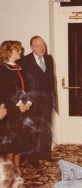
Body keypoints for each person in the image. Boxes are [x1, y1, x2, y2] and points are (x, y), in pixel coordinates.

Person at [18, 36, 56, 166]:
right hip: (32, 102)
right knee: (33, 130)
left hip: (47, 101)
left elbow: (51, 80)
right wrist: (24, 101)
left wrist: (53, 98)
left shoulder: (49, 59)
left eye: (43, 45)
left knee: (46, 128)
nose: (42, 48)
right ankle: (33, 158)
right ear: (32, 47)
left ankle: (46, 154)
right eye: (38, 45)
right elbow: (21, 84)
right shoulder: (23, 61)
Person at [0, 40, 32, 175]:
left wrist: (28, 103)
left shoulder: (18, 67)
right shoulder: (2, 69)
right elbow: (6, 91)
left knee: (20, 142)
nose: (21, 51)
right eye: (18, 49)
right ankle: (8, 173)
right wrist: (19, 105)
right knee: (10, 144)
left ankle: (17, 168)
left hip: (22, 110)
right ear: (9, 51)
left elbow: (28, 88)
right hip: (10, 111)